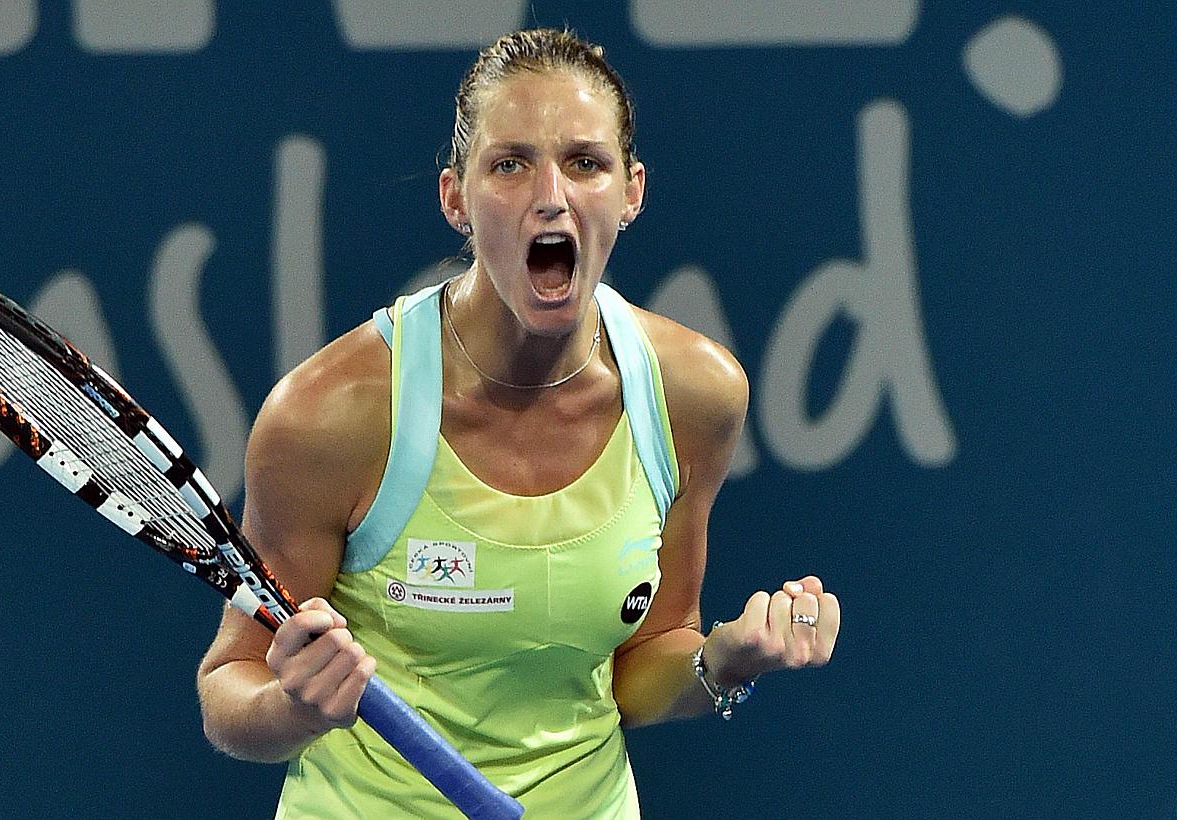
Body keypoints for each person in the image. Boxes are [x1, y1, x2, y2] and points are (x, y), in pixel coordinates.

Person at [197, 27, 841, 818]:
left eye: (584, 162)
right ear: (455, 199)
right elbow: (232, 686)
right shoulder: (333, 415)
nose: (551, 195)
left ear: (631, 192)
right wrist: (296, 707)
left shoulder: (693, 394)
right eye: (510, 164)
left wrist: (722, 661)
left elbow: (643, 662)